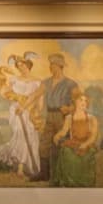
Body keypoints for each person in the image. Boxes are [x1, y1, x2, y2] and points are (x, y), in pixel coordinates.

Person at [39, 52, 81, 181]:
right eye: (50, 64)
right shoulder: (46, 82)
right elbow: (36, 95)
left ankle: (60, 174)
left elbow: (79, 102)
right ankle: (44, 175)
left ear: (60, 66)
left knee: (61, 144)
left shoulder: (71, 84)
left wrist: (69, 108)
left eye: (53, 65)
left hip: (63, 117)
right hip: (49, 115)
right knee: (44, 144)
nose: (50, 67)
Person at [49, 88, 100, 187]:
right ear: (75, 102)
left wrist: (85, 144)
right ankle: (69, 183)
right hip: (74, 143)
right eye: (80, 100)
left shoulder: (92, 118)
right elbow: (64, 131)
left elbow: (93, 136)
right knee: (66, 152)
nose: (83, 102)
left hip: (87, 144)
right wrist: (57, 136)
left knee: (87, 155)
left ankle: (83, 183)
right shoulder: (69, 118)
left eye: (85, 101)